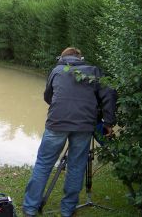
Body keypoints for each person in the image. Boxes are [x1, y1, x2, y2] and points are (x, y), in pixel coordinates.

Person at [22, 47, 117, 217]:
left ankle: (30, 208)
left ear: (62, 58)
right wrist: (108, 122)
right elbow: (109, 93)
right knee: (76, 166)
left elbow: (47, 96)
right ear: (80, 58)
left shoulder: (57, 71)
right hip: (84, 125)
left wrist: (61, 107)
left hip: (57, 123)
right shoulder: (93, 71)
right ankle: (67, 210)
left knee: (43, 164)